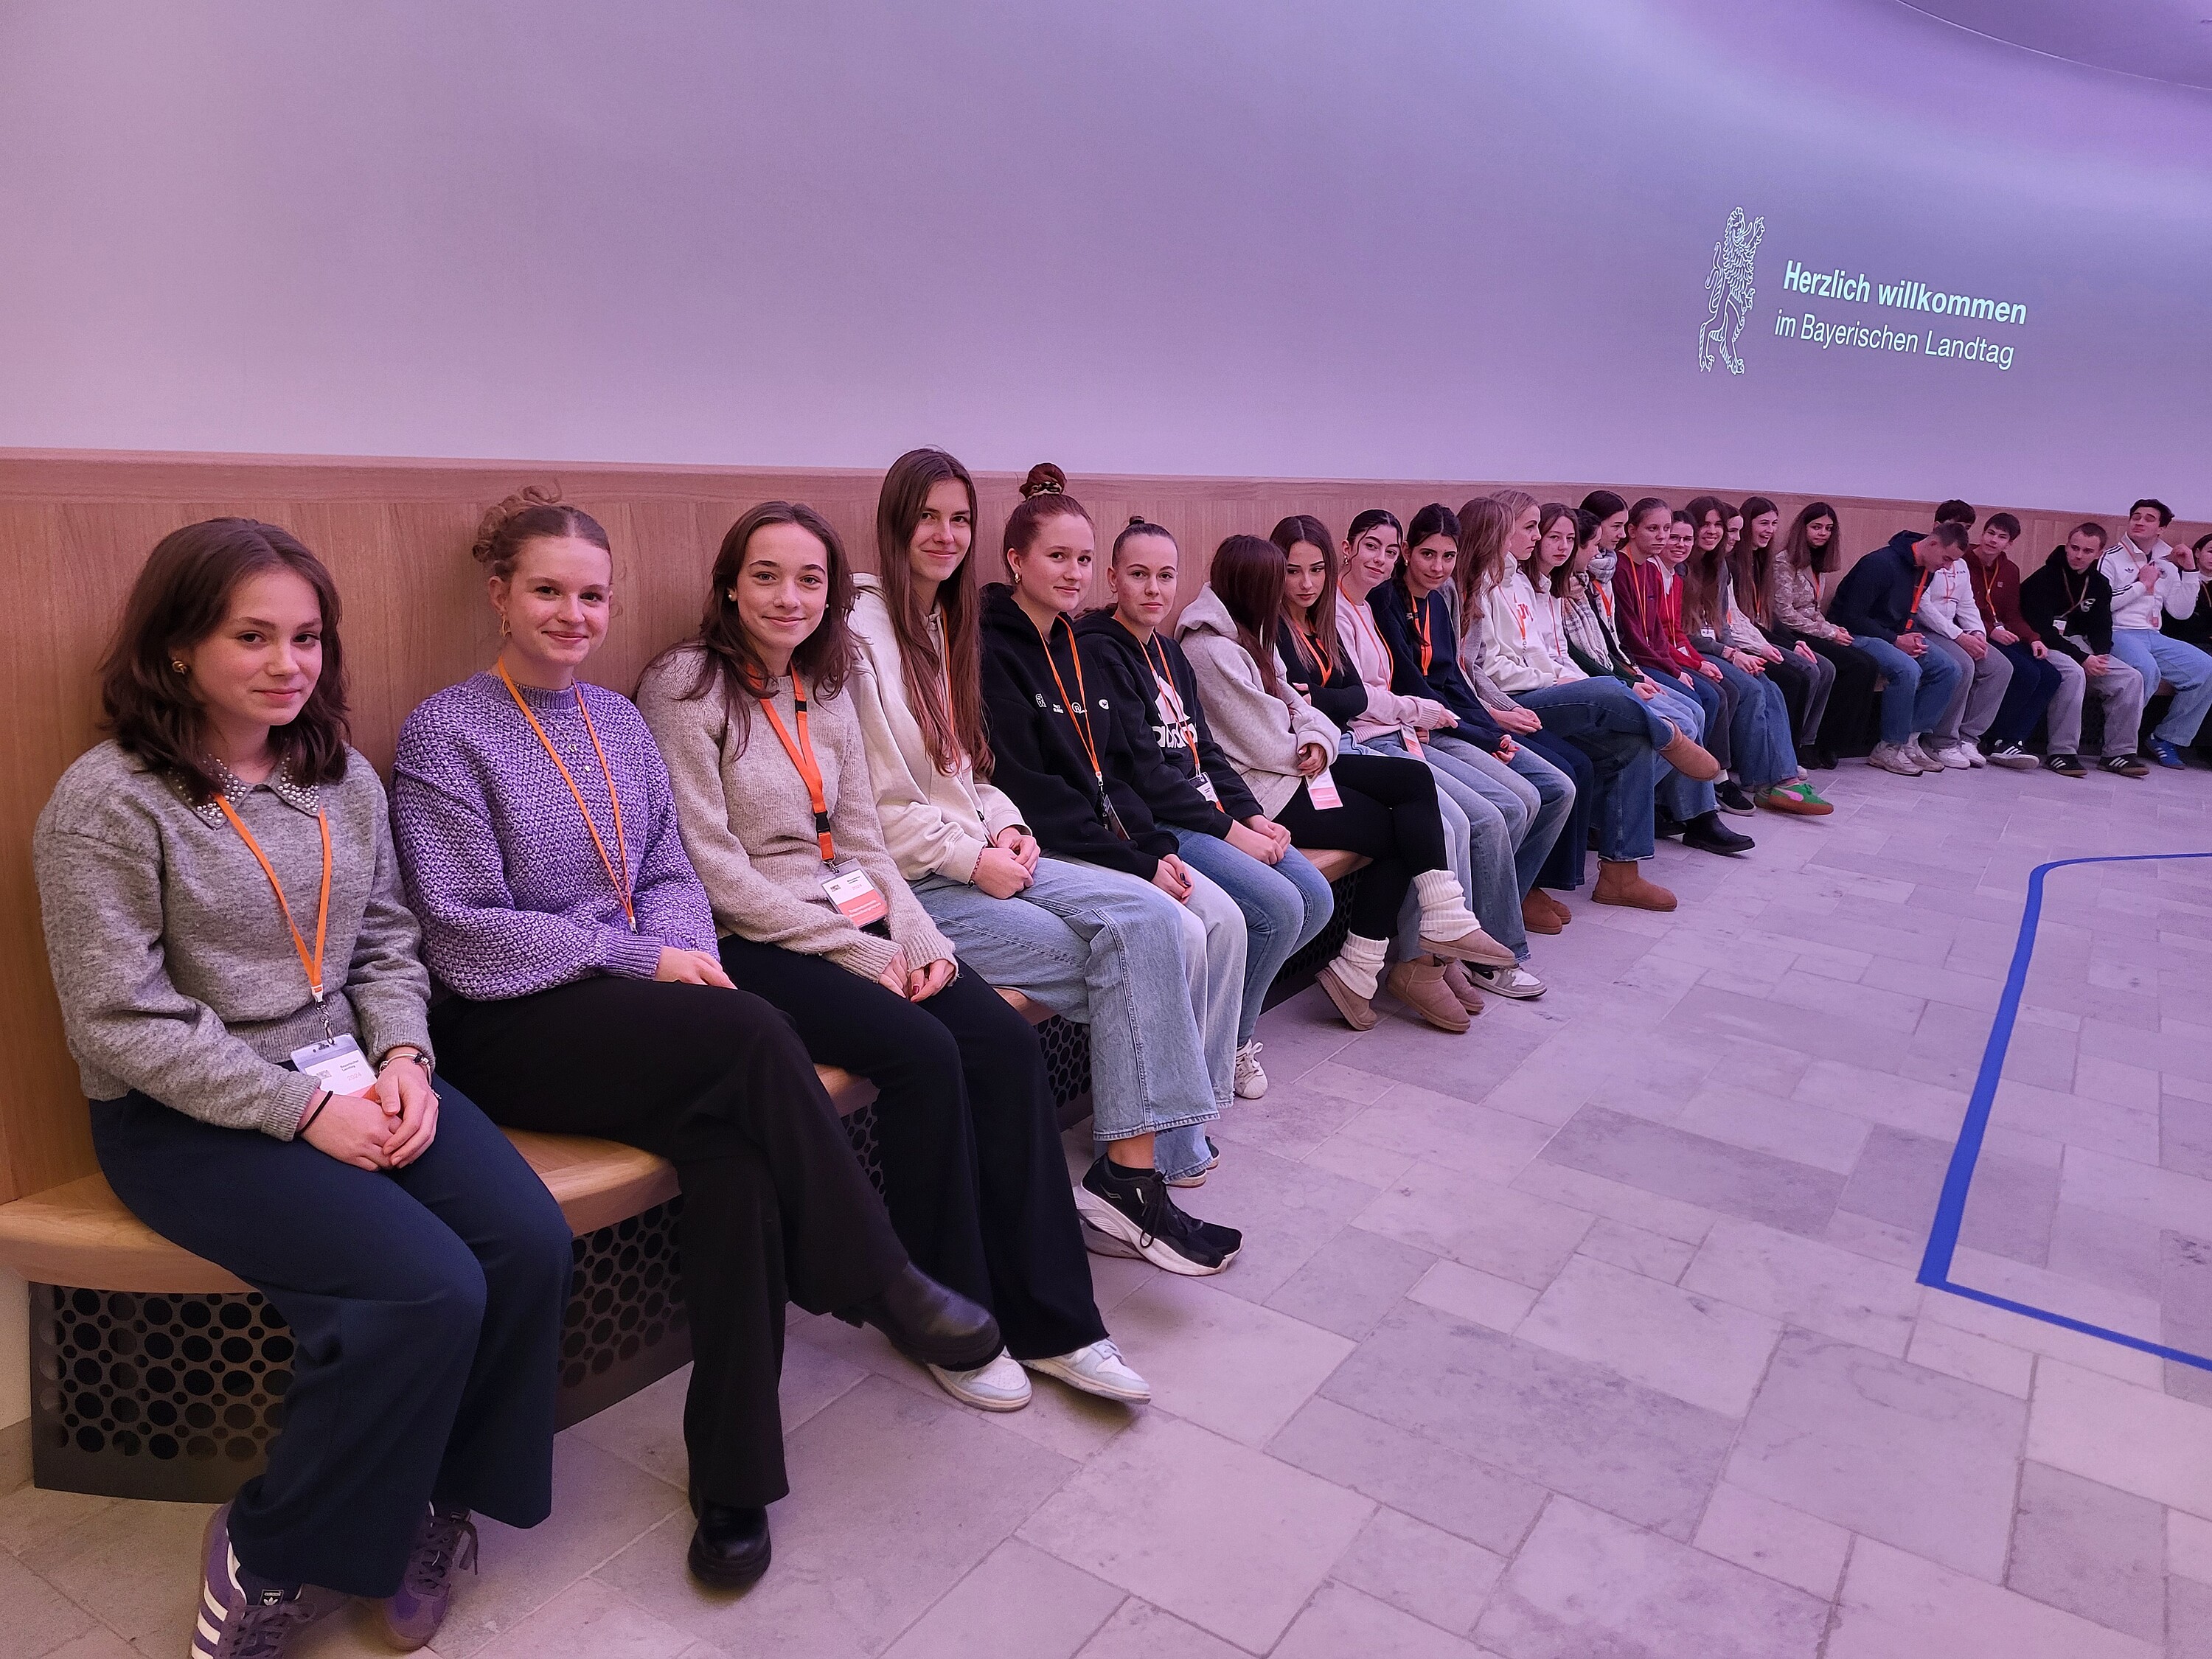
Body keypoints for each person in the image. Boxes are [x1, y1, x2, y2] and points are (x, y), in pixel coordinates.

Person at [393, 489, 1000, 1590]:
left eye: (592, 595)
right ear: (499, 595)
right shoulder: (448, 729)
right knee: (756, 1031)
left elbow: (675, 869)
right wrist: (643, 958)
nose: (573, 614)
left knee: (737, 1161)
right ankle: (875, 1271)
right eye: (548, 591)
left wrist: (679, 951)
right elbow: (461, 925)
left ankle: (733, 1483)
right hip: (511, 1016)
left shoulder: (618, 720)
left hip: (643, 1012)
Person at [32, 518, 572, 1658]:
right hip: (182, 1111)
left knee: (526, 1240)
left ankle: (433, 1500)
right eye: (253, 636)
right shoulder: (109, 799)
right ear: (177, 646)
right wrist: (303, 1110)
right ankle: (266, 1548)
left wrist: (406, 1058)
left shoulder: (339, 774)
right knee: (425, 1289)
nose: (289, 664)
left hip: (353, 1069)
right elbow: (117, 1017)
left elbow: (385, 939)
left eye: (308, 637)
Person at [636, 499, 1145, 1414]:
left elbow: (864, 841)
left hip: (855, 916)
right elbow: (710, 869)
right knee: (923, 1053)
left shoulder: (827, 683)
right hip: (754, 938)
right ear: (729, 586)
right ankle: (950, 1315)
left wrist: (918, 938)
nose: (789, 598)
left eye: (810, 580)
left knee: (1002, 1042)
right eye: (766, 576)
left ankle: (1059, 1321)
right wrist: (860, 953)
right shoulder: (685, 686)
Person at [846, 449, 1240, 1265]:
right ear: (893, 522)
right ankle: (1136, 1182)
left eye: (959, 518)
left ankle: (1128, 1178)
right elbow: (874, 809)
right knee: (1135, 953)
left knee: (1152, 920)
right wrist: (971, 857)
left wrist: (1005, 823)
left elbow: (968, 770)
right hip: (917, 886)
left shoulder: (943, 623)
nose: (945, 534)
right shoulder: (858, 633)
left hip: (982, 852)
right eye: (927, 517)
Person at [977, 470, 1249, 1210]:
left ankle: (1181, 1127)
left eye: (1082, 559)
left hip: (1106, 838)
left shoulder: (1073, 644)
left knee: (1218, 920)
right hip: (1044, 843)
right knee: (1180, 932)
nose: (1073, 573)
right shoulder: (993, 649)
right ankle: (1145, 1147)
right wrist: (1137, 862)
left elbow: (1114, 774)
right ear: (1015, 560)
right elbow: (1034, 792)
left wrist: (1155, 848)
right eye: (1056, 557)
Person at [1180, 535, 1511, 1030]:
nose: (1289, 591)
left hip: (1299, 766)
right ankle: (1359, 968)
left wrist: (1318, 739)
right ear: (1250, 586)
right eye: (1277, 582)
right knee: (1395, 832)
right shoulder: (1209, 649)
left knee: (1412, 778)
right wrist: (1312, 740)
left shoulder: (1253, 631)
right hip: (1264, 791)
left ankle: (1442, 919)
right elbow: (1262, 742)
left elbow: (1299, 705)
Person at [1078, 516, 1334, 1071]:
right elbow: (1145, 776)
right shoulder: (1099, 653)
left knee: (1317, 899)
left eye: (1166, 576)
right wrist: (1232, 832)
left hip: (1212, 811)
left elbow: (1206, 750)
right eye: (1139, 574)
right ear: (1113, 578)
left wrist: (1252, 815)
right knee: (1281, 908)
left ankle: (1216, 1028)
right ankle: (1229, 1046)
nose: (1154, 589)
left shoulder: (1171, 654)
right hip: (1165, 824)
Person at [1469, 498, 1718, 910]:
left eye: (1543, 530)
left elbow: (1546, 653)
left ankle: (1621, 875)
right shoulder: (1484, 585)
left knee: (1631, 745)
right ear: (1500, 531)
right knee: (1606, 690)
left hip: (1542, 687)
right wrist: (1560, 681)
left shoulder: (1523, 583)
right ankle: (1668, 736)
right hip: (1515, 699)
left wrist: (1565, 679)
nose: (1538, 538)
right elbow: (1489, 668)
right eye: (1531, 529)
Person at [1323, 509, 1514, 1026]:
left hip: (1396, 732)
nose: (1381, 559)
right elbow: (1354, 699)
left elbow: (1402, 684)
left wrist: (1420, 717)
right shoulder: (1334, 611)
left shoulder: (1370, 605)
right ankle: (1421, 961)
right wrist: (1417, 712)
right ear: (1347, 547)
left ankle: (1441, 955)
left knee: (1482, 815)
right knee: (1449, 825)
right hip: (1363, 740)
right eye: (1372, 547)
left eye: (1389, 550)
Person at [1370, 501, 1571, 987]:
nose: (1437, 567)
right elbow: (1415, 685)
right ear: (1407, 553)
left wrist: (1493, 731)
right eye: (1427, 554)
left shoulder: (1439, 603)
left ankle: (1487, 917)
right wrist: (1481, 733)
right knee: (1504, 809)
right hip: (1421, 729)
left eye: (1447, 556)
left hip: (1454, 722)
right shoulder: (1385, 601)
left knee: (1552, 789)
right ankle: (1495, 954)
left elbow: (1456, 680)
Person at [1556, 509, 1751, 857]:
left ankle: (1692, 813)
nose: (1605, 547)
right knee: (1683, 719)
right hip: (1596, 677)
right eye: (1598, 541)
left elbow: (1620, 640)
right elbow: (1587, 650)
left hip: (1622, 668)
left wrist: (1644, 670)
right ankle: (1677, 811)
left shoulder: (1599, 578)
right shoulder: (1579, 582)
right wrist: (1637, 674)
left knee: (1696, 709)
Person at [1663, 502, 1823, 815]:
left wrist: (1737, 651)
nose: (1712, 532)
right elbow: (1680, 633)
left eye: (1718, 526)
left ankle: (1783, 776)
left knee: (1769, 685)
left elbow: (1722, 625)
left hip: (1716, 646)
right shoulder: (1680, 566)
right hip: (1694, 650)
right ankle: (1762, 778)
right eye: (1705, 525)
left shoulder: (1720, 566)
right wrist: (1729, 653)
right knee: (1749, 689)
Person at [1824, 522, 1972, 776]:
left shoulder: (1926, 570)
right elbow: (1851, 617)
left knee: (1949, 668)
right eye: (1947, 559)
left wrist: (1906, 636)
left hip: (1892, 635)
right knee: (1907, 669)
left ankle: (1910, 741)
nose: (1947, 567)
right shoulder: (1879, 564)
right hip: (1853, 634)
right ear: (1933, 543)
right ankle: (1889, 747)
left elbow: (1904, 612)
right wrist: (1895, 639)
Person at [2019, 523, 2150, 778]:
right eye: (2075, 548)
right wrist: (2083, 659)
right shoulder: (2044, 578)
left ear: (2099, 554)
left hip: (2080, 645)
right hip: (2043, 643)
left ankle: (2118, 754)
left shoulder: (2099, 583)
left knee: (2131, 678)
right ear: (2067, 546)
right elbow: (2042, 630)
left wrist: (2100, 655)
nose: (2078, 556)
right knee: (2074, 674)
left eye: (2087, 551)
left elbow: (2102, 626)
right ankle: (2062, 752)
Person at [1761, 501, 1884, 762]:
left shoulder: (1817, 563)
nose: (1823, 533)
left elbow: (1813, 609)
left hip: (1812, 628)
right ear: (1803, 528)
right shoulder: (1784, 562)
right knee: (1851, 666)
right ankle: (1818, 741)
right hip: (1790, 631)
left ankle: (1838, 742)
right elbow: (1784, 613)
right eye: (1816, 527)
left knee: (1868, 663)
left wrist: (1831, 628)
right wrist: (1827, 633)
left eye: (1828, 529)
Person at [1731, 495, 1843, 763]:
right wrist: (1791, 643)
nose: (1770, 530)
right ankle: (1785, 751)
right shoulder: (1734, 564)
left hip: (1763, 633)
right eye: (1763, 523)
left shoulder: (1762, 560)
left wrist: (1793, 642)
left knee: (1823, 667)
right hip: (1744, 640)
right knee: (1803, 672)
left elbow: (1768, 617)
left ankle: (1803, 743)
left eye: (1774, 524)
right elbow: (1745, 622)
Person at [2101, 497, 2211, 767]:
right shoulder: (2111, 558)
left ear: (2161, 529)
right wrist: (2141, 585)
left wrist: (2190, 571)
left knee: (2206, 669)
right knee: (2146, 670)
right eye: (2136, 517)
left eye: (2149, 519)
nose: (2140, 522)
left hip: (2154, 635)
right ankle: (2117, 748)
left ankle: (2165, 738)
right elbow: (2103, 606)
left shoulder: (2167, 564)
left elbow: (2181, 612)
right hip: (2118, 631)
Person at [1908, 504, 2012, 771]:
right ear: (1937, 527)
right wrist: (1959, 636)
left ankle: (1968, 738)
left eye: (1966, 529)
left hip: (1955, 630)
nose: (1962, 534)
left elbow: (1967, 604)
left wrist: (1977, 633)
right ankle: (1941, 741)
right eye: (1955, 527)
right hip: (1926, 628)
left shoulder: (1962, 565)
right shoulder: (1927, 558)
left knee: (2000, 667)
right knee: (1963, 665)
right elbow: (1922, 606)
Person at [1964, 512, 2060, 769]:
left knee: (2051, 676)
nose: (1993, 540)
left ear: (2010, 543)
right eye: (1990, 533)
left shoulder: (2009, 569)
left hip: (2002, 633)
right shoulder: (1963, 562)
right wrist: (1990, 631)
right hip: (1975, 632)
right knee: (2026, 673)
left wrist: (2033, 638)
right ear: (1982, 533)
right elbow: (1958, 611)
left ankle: (2014, 739)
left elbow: (2012, 615)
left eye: (2001, 537)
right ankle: (1994, 738)